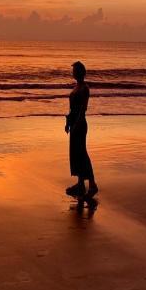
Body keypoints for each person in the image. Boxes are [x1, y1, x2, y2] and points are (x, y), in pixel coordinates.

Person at [65, 60, 98, 198]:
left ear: (80, 72)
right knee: (76, 153)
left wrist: (77, 122)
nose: (73, 73)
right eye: (73, 71)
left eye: (75, 70)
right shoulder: (76, 86)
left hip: (80, 124)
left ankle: (92, 184)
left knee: (82, 153)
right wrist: (68, 122)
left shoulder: (84, 88)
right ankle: (80, 184)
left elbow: (82, 109)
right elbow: (72, 109)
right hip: (73, 123)